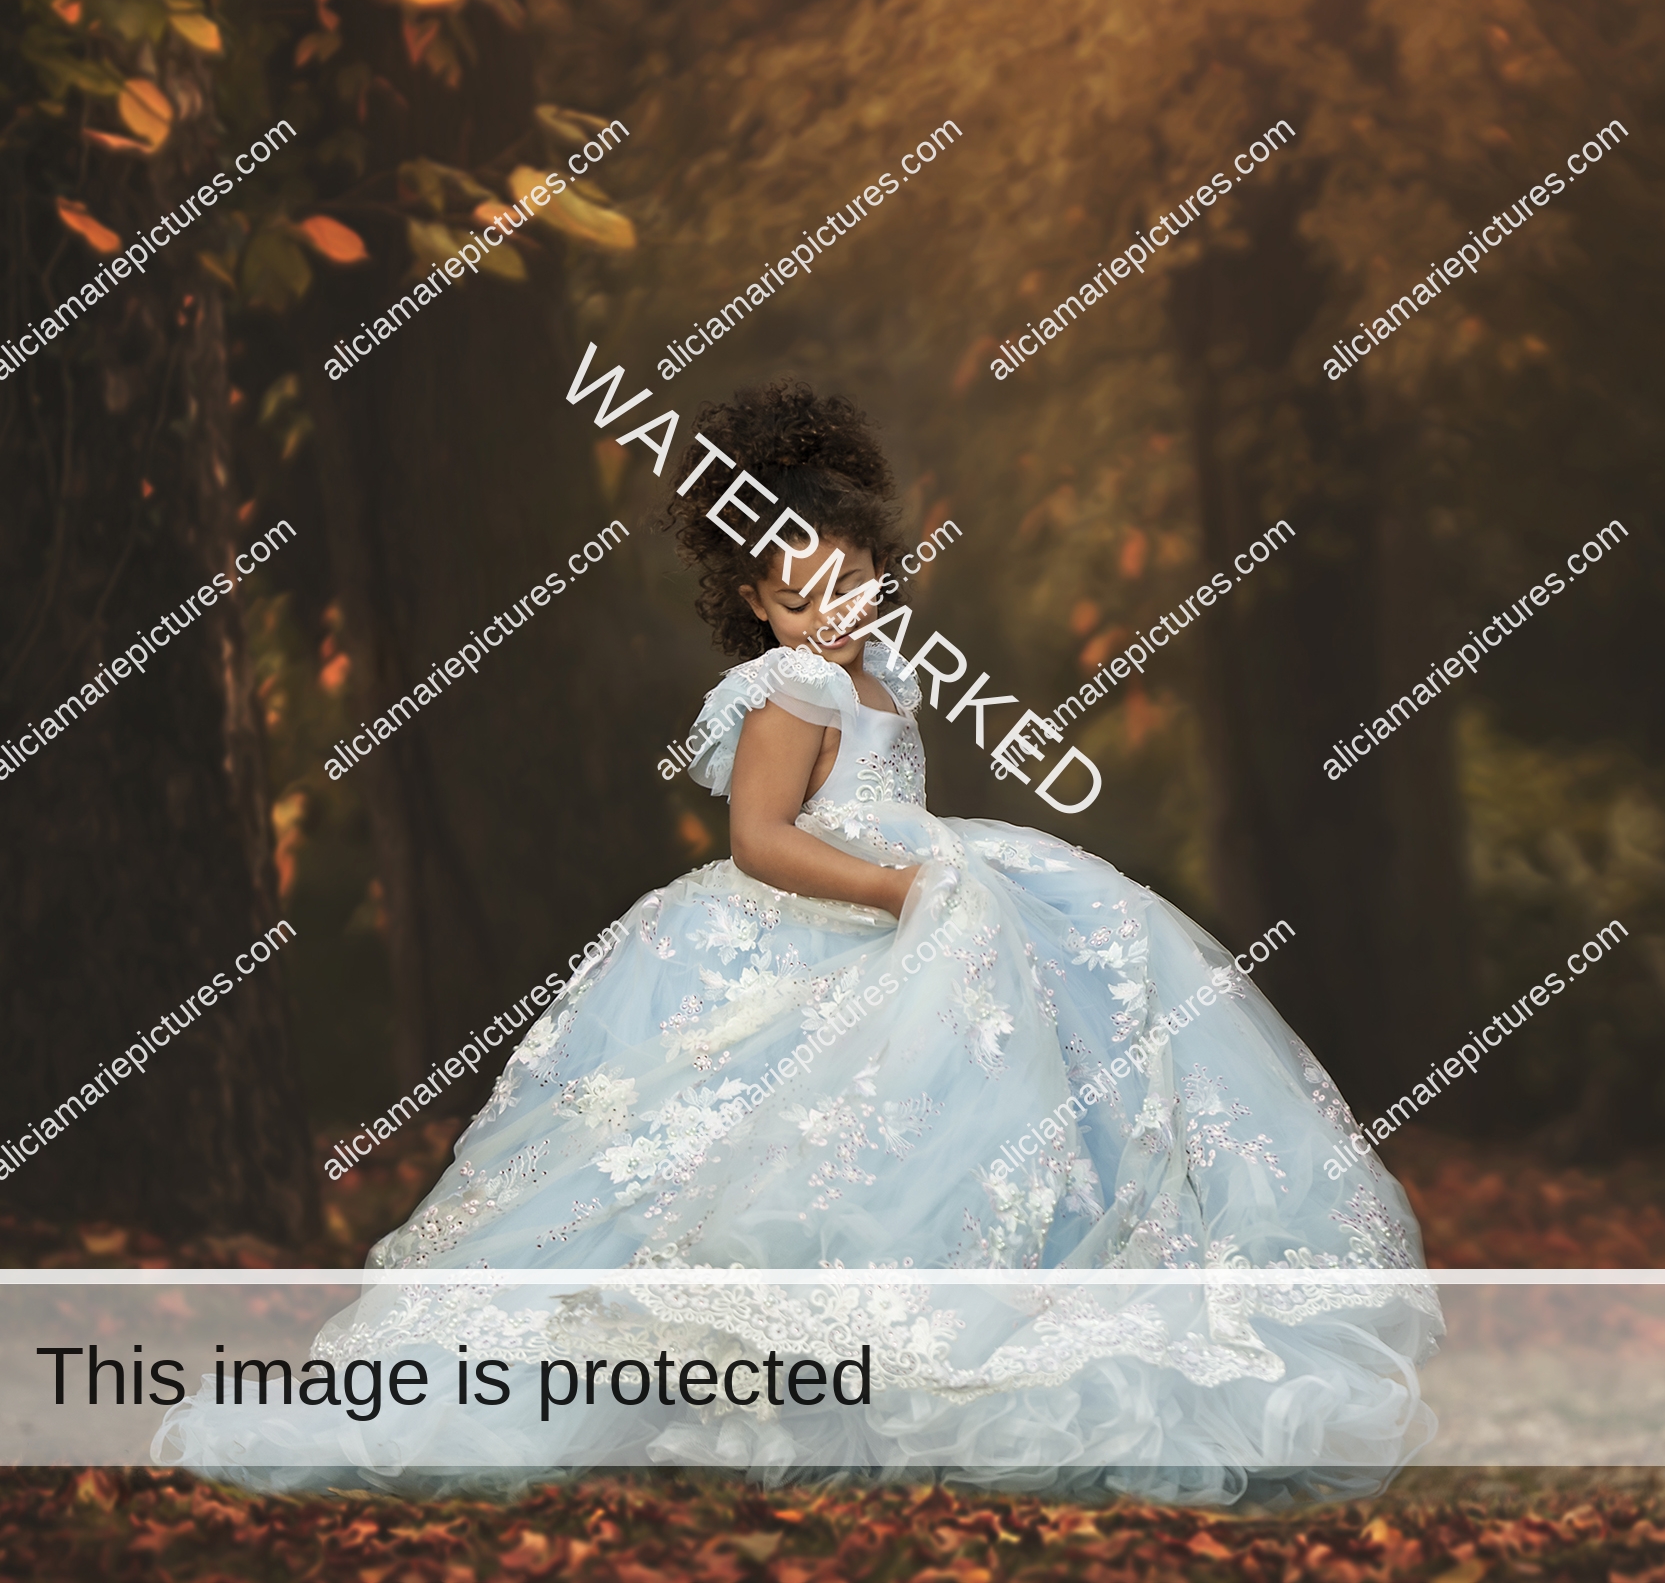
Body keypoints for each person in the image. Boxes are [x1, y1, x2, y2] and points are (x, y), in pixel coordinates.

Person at [157, 383, 1439, 1502]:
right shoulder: (790, 690)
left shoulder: (889, 676)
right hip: (823, 920)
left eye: (844, 576)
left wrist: (930, 881)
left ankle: (986, 1324)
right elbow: (762, 839)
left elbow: (890, 797)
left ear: (880, 567)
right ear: (753, 601)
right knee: (752, 1146)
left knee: (1014, 1080)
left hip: (924, 909)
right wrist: (894, 893)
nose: (824, 604)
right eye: (791, 589)